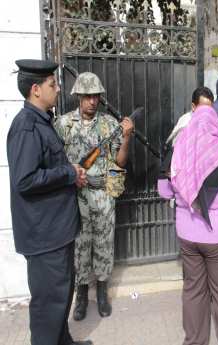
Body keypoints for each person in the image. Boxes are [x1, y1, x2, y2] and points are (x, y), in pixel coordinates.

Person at [7, 59, 92, 345]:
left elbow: (47, 169)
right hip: (45, 235)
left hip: (56, 231)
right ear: (35, 90)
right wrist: (68, 172)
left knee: (60, 297)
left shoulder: (42, 121)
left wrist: (70, 175)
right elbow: (25, 180)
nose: (57, 89)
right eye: (52, 85)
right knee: (48, 306)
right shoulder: (26, 127)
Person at [158, 104, 218, 345]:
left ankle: (194, 341)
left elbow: (163, 190)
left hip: (188, 233)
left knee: (193, 290)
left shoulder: (178, 150)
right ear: (214, 124)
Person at [54, 72, 134, 321]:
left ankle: (101, 293)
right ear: (79, 96)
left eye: (95, 96)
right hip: (75, 198)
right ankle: (80, 296)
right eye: (87, 96)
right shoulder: (63, 124)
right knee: (79, 247)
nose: (92, 101)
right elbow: (55, 160)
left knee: (103, 244)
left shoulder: (109, 125)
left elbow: (119, 163)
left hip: (102, 195)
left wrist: (127, 137)